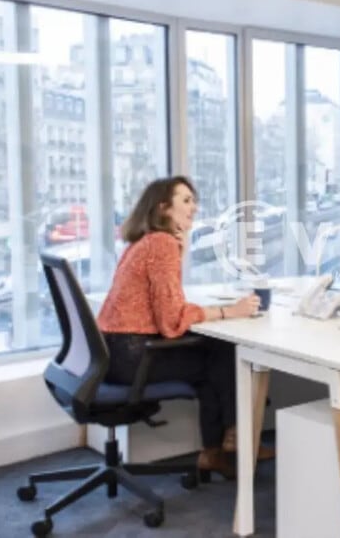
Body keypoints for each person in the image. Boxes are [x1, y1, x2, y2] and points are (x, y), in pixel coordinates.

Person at [97, 176, 262, 480]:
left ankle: (218, 449)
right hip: (133, 357)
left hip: (112, 354)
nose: (194, 207)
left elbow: (164, 304)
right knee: (224, 353)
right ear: (163, 207)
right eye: (185, 201)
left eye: (194, 200)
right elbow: (171, 320)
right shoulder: (161, 244)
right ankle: (232, 440)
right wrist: (229, 311)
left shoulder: (141, 242)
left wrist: (182, 249)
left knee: (212, 354)